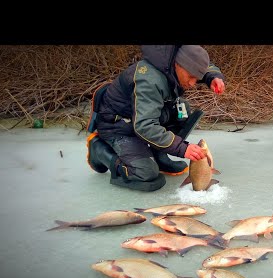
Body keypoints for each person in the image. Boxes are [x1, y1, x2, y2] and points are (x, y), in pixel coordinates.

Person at [86, 45, 226, 191]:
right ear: (177, 65)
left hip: (142, 116)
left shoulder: (177, 58)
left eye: (196, 78)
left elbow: (202, 65)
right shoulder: (149, 80)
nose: (192, 83)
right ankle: (99, 150)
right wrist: (181, 148)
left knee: (182, 110)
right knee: (147, 174)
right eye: (191, 77)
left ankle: (160, 155)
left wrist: (212, 77)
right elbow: (144, 126)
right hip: (119, 126)